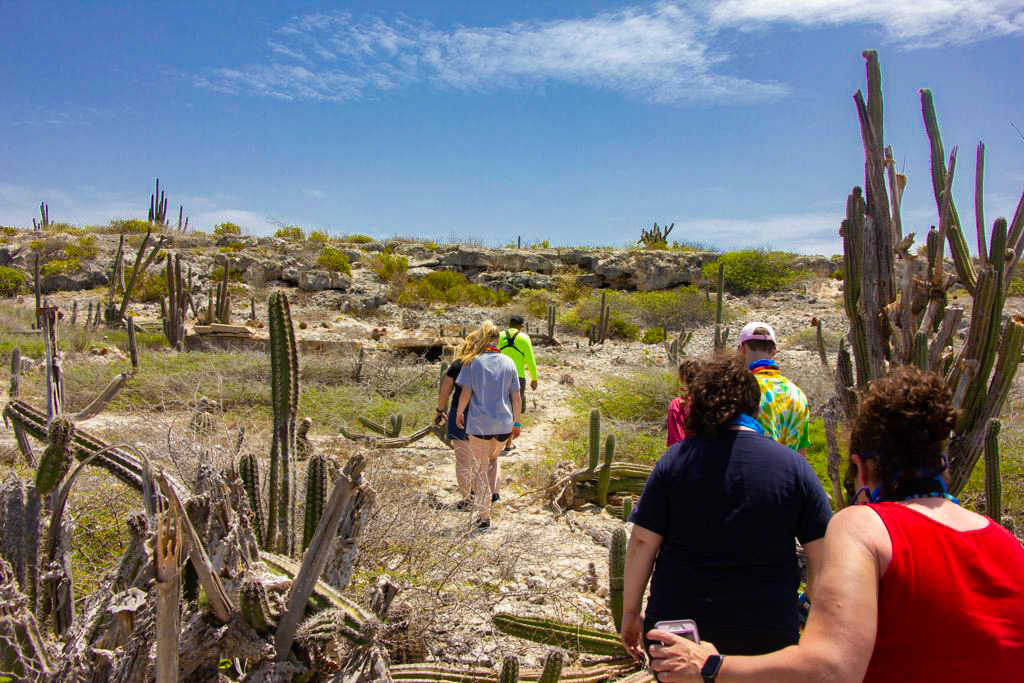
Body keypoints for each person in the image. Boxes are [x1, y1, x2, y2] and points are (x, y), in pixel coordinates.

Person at [644, 366, 1024, 682]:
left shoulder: (866, 528)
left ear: (862, 467)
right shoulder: (1006, 543)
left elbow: (830, 669)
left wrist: (710, 666)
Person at [623, 355, 831, 663]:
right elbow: (824, 552)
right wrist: (810, 607)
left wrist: (630, 613)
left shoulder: (674, 461)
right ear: (755, 408)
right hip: (766, 628)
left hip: (679, 627)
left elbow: (642, 542)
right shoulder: (794, 468)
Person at [455, 321, 522, 529]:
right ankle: (494, 499)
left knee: (480, 468)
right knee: (494, 460)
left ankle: (484, 516)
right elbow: (516, 396)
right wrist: (517, 423)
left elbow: (466, 392)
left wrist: (459, 412)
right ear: (498, 340)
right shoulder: (509, 362)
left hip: (479, 423)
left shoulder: (473, 362)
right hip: (503, 423)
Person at [737, 322, 810, 456]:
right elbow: (801, 452)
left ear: (742, 348)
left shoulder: (742, 389)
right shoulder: (798, 394)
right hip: (788, 473)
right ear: (774, 351)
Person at [434, 332, 479, 511]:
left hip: (459, 414)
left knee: (462, 459)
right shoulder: (488, 364)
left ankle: (467, 499)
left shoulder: (458, 364)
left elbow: (445, 392)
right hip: (484, 415)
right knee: (479, 458)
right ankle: (480, 494)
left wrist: (439, 410)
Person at [498, 314, 538, 452]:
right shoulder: (524, 338)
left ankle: (496, 439)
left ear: (509, 324)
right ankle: (508, 443)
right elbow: (530, 360)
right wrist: (534, 378)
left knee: (500, 406)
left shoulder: (499, 335)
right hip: (518, 377)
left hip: (499, 376)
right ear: (521, 327)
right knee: (515, 407)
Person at [666, 358, 700, 447]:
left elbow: (676, 443)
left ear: (683, 378)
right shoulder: (716, 400)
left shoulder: (678, 405)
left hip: (688, 456)